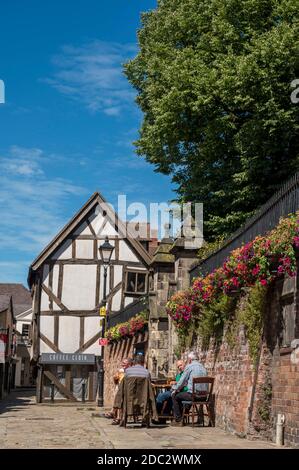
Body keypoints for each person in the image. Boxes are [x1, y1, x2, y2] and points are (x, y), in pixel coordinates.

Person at [171, 351, 208, 425]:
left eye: (188, 360)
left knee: (174, 396)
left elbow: (181, 382)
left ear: (190, 360)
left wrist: (174, 388)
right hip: (204, 396)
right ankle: (183, 416)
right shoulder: (203, 367)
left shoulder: (189, 367)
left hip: (194, 396)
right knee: (182, 394)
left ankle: (178, 420)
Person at [105, 357, 133, 422]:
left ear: (129, 364)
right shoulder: (120, 371)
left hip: (128, 391)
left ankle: (114, 414)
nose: (122, 364)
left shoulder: (130, 371)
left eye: (124, 363)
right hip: (121, 389)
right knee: (118, 392)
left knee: (119, 394)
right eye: (122, 363)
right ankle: (117, 416)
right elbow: (116, 382)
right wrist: (115, 378)